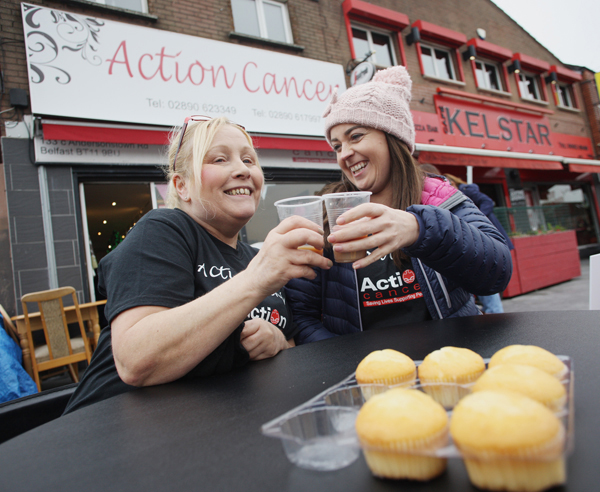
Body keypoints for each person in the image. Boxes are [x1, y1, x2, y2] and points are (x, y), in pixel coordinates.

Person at [64, 116, 331, 413]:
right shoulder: (164, 230)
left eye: (248, 159)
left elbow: (289, 345)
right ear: (182, 186)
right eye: (219, 159)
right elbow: (136, 361)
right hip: (110, 435)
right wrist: (256, 280)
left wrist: (278, 341)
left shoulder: (257, 259)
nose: (243, 170)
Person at [285, 66, 513, 344]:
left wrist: (420, 229)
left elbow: (497, 273)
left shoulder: (439, 198)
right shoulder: (327, 216)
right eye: (336, 146)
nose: (344, 154)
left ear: (394, 139)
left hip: (451, 364)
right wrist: (347, 364)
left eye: (355, 136)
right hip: (366, 378)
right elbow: (301, 315)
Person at [444, 173, 515, 314]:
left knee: (485, 274)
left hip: (485, 237)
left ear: (453, 182)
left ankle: (495, 312)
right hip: (478, 239)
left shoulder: (466, 191)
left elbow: (488, 202)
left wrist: (473, 219)